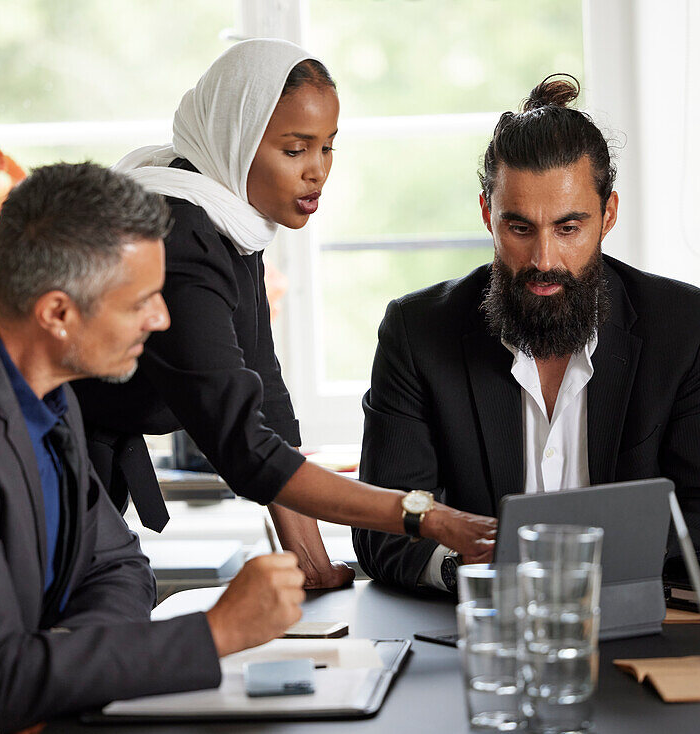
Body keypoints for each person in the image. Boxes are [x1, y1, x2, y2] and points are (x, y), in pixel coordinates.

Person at [0, 162, 307, 733]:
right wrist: (216, 633)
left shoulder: (45, 383)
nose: (162, 317)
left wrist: (63, 658)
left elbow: (118, 566)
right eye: (141, 301)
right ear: (58, 314)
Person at [71, 38, 496, 584]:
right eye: (295, 150)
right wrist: (424, 517)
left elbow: (265, 400)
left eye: (328, 147)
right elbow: (244, 445)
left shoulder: (227, 221)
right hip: (39, 466)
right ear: (236, 139)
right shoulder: (181, 240)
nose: (316, 171)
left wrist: (312, 564)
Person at [353, 75, 700, 594]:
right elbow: (385, 527)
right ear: (487, 215)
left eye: (568, 228)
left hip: (638, 625)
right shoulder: (416, 332)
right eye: (519, 228)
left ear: (607, 215)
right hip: (478, 632)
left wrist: (566, 566)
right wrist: (474, 576)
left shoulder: (689, 328)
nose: (544, 260)